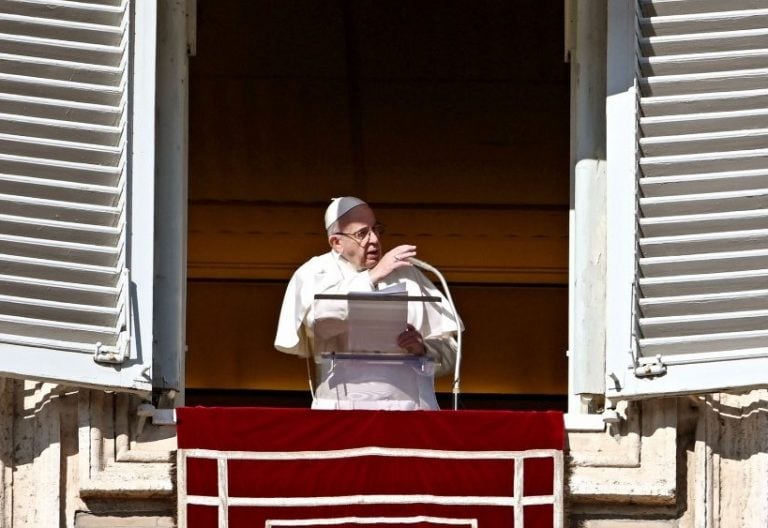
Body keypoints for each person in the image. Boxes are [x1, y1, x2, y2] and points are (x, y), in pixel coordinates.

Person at [274, 196, 461, 410]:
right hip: (341, 409)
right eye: (362, 233)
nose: (374, 239)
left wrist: (423, 348)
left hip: (410, 410)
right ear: (337, 243)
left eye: (376, 229)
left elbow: (451, 351)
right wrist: (373, 276)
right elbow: (319, 322)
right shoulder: (315, 272)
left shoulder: (407, 273)